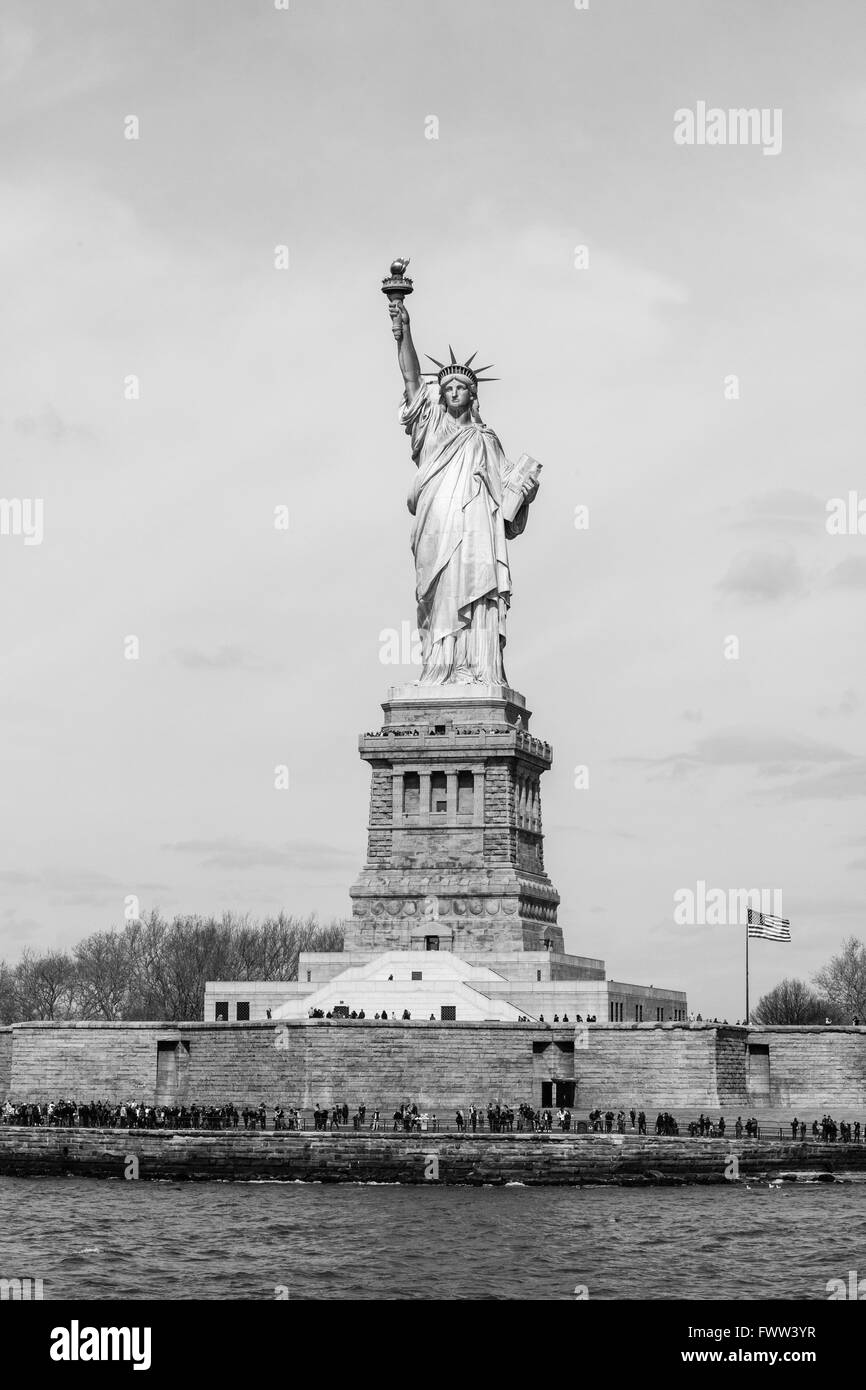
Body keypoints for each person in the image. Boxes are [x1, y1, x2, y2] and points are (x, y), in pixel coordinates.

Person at [388, 293, 540, 685]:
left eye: (462, 387)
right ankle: (439, 667)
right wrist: (402, 330)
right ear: (440, 395)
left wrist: (525, 490)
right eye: (448, 387)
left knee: (476, 591)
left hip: (475, 531)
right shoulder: (431, 428)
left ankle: (476, 668)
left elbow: (506, 495)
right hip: (436, 525)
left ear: (473, 395)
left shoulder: (485, 438)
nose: (454, 392)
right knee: (438, 594)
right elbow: (409, 379)